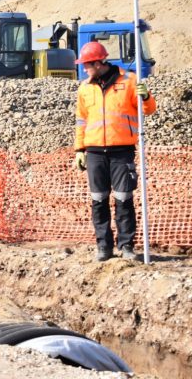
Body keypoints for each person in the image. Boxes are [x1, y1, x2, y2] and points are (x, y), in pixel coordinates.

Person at [73, 41, 156, 262]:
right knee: (98, 200)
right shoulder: (84, 87)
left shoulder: (129, 82)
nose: (84, 68)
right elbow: (81, 121)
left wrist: (146, 96)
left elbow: (148, 111)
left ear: (99, 63)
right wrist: (79, 149)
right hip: (95, 152)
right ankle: (104, 246)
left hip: (122, 150)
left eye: (87, 64)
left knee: (123, 199)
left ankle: (126, 245)